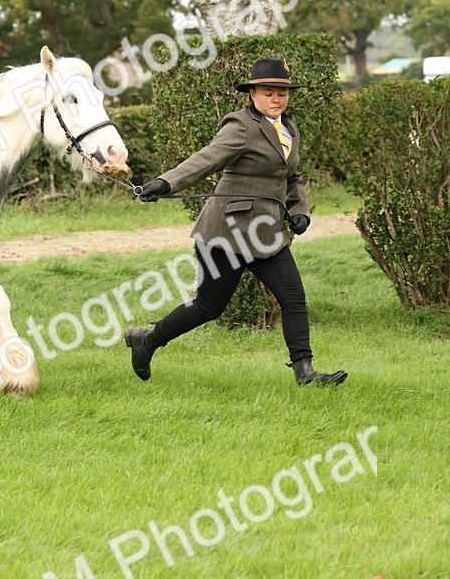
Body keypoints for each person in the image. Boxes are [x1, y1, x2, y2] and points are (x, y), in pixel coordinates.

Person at [124, 58, 347, 387]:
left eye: (282, 93)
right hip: (225, 234)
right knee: (208, 307)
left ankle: (305, 373)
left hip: (268, 234)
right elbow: (206, 159)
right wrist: (165, 183)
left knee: (293, 297)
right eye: (269, 93)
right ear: (253, 94)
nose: (276, 99)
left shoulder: (289, 129)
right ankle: (149, 339)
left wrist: (300, 210)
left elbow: (293, 176)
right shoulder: (241, 125)